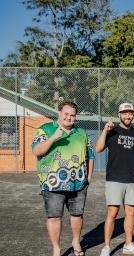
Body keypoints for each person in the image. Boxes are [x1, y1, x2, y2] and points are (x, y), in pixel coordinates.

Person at [32, 101, 94, 256]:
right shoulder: (44, 129)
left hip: (78, 183)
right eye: (66, 114)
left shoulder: (82, 133)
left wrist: (89, 177)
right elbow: (37, 151)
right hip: (53, 184)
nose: (69, 117)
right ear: (59, 113)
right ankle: (56, 248)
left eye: (72, 115)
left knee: (77, 215)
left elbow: (90, 155)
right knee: (54, 217)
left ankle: (76, 241)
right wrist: (54, 136)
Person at [95, 103, 134, 256]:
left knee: (130, 212)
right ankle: (106, 247)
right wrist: (105, 130)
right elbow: (98, 149)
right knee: (112, 212)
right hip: (114, 179)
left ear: (133, 115)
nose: (127, 116)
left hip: (132, 179)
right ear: (119, 115)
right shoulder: (112, 132)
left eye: (130, 113)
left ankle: (128, 245)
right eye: (124, 113)